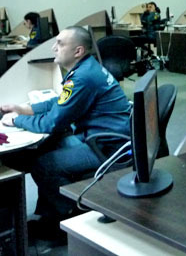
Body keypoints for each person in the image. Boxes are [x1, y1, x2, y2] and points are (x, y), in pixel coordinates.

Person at [0, 26, 131, 240]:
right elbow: (61, 101)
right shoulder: (86, 68)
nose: (54, 47)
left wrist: (16, 120)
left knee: (44, 164)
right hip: (100, 136)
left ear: (78, 51)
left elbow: (52, 122)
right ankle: (50, 215)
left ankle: (68, 219)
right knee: (47, 149)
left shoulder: (83, 77)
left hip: (107, 146)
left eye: (60, 44)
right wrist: (24, 109)